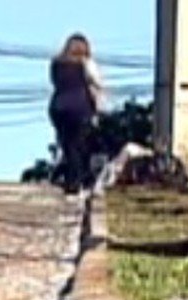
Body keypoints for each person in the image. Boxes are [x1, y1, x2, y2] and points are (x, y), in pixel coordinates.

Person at [48, 33, 104, 201]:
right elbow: (97, 85)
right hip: (80, 108)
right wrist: (98, 109)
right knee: (79, 147)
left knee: (67, 145)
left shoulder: (56, 63)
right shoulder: (86, 64)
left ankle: (69, 179)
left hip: (58, 107)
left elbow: (54, 82)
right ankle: (75, 185)